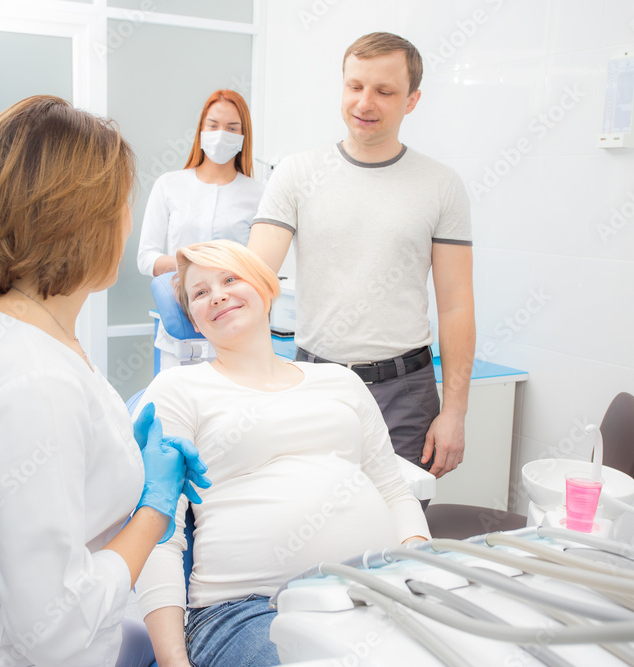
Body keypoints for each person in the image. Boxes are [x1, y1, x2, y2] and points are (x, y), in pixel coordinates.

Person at [0, 95, 210, 667]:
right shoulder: (31, 380)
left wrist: (123, 454)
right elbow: (53, 631)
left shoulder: (15, 321)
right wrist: (153, 513)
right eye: (120, 205)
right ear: (77, 223)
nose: (128, 221)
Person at [134, 240, 430, 667]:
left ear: (267, 288)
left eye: (230, 279)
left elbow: (394, 492)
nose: (216, 294)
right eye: (199, 293)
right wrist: (173, 661)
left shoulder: (339, 382)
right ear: (195, 320)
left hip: (379, 590)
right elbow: (159, 533)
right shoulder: (179, 390)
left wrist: (419, 572)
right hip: (250, 610)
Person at [247, 32, 476, 479]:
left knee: (398, 533)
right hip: (314, 383)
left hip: (405, 392)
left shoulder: (441, 185)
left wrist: (455, 413)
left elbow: (456, 306)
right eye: (355, 86)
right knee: (311, 526)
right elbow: (255, 275)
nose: (364, 103)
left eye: (384, 91)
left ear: (412, 100)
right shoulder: (298, 173)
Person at [136, 89, 265, 370]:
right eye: (213, 125)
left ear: (244, 136)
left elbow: (258, 265)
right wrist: (187, 264)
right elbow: (146, 257)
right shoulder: (170, 184)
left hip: (236, 331)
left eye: (232, 128)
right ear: (201, 130)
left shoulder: (258, 194)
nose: (221, 134)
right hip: (179, 332)